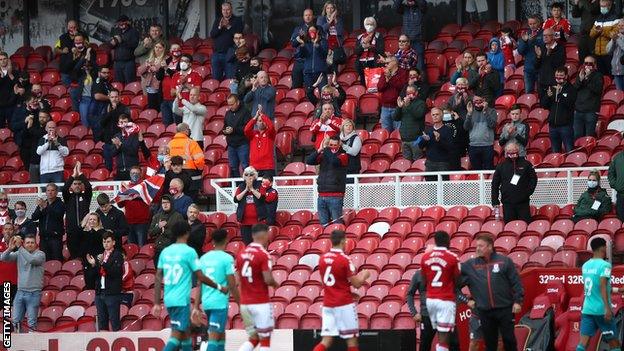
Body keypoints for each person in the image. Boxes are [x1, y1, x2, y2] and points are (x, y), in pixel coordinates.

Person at [152, 221, 227, 351]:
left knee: (186, 334)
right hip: (181, 300)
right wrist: (219, 287)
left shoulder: (165, 252)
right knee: (176, 336)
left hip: (169, 299)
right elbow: (201, 277)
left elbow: (158, 276)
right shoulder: (189, 252)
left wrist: (156, 302)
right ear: (187, 233)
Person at [461, 233, 523, 351]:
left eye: (481, 246)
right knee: (490, 344)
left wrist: (518, 301)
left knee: (509, 341)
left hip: (505, 309)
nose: (477, 248)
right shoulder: (470, 265)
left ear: (490, 247)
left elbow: (516, 283)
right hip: (485, 312)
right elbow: (454, 284)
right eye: (476, 246)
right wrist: (465, 300)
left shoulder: (504, 261)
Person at [312, 230, 370, 351]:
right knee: (352, 340)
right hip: (344, 304)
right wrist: (364, 274)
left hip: (328, 304)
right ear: (344, 241)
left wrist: (348, 292)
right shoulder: (344, 259)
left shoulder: (322, 258)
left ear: (331, 241)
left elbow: (330, 283)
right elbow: (357, 284)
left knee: (326, 341)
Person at [192, 229, 240, 351]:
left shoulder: (204, 258)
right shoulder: (226, 258)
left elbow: (200, 283)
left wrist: (196, 307)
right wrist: (241, 304)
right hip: (219, 302)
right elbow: (232, 284)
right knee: (214, 337)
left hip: (207, 302)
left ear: (213, 241)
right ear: (226, 240)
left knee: (221, 335)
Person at [235, 223, 278, 351]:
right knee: (265, 339)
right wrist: (276, 284)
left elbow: (237, 279)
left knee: (254, 338)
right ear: (265, 235)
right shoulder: (263, 254)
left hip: (245, 303)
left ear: (252, 235)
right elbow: (268, 279)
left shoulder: (241, 254)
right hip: (260, 302)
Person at [577, 237, 622, 351]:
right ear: (602, 248)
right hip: (601, 311)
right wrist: (607, 308)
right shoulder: (605, 265)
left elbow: (597, 287)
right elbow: (602, 285)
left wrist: (618, 290)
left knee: (583, 344)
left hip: (587, 310)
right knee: (614, 344)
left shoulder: (585, 265)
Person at [406, 262, 462, 351]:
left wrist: (463, 302)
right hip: (427, 315)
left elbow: (456, 290)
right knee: (425, 344)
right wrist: (414, 313)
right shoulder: (419, 274)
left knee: (454, 343)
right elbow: (409, 294)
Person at [421, 231, 460, 351]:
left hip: (430, 300)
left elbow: (424, 280)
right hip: (445, 299)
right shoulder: (452, 257)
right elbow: (457, 279)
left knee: (439, 332)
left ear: (435, 241)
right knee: (444, 336)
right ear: (448, 241)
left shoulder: (425, 257)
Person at [1, 234, 44, 333]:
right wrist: (10, 248)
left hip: (34, 292)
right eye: (27, 243)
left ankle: (32, 346)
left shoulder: (40, 254)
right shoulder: (20, 253)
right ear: (24, 244)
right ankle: (18, 346)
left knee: (31, 323)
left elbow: (32, 260)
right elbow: (3, 258)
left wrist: (20, 247)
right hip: (20, 291)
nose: (30, 245)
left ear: (36, 244)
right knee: (15, 321)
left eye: (32, 242)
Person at [306, 135, 348, 226]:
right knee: (324, 223)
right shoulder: (324, 154)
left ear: (339, 145)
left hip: (336, 195)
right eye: (330, 145)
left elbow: (334, 161)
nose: (332, 147)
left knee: (337, 223)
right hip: (322, 195)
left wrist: (326, 149)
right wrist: (319, 150)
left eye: (334, 145)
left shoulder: (343, 155)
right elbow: (309, 161)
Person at [491, 142, 538, 223]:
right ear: (506, 152)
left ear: (518, 150)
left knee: (525, 225)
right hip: (507, 203)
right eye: (510, 150)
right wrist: (495, 200)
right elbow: (495, 184)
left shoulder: (526, 164)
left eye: (514, 150)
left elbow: (533, 179)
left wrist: (528, 192)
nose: (512, 152)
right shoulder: (501, 166)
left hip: (523, 202)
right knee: (509, 226)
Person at [86, 231, 123, 331]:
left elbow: (115, 272)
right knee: (102, 322)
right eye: (104, 242)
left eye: (108, 241)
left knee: (114, 321)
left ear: (113, 242)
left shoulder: (118, 256)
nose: (106, 244)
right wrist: (94, 265)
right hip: (100, 292)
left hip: (112, 293)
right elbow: (92, 276)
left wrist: (102, 263)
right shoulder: (100, 256)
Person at [540, 67, 577, 153]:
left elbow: (570, 104)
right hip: (553, 126)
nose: (558, 78)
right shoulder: (552, 88)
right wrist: (548, 97)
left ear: (566, 76)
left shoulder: (571, 89)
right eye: (557, 76)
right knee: (555, 151)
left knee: (569, 150)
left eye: (561, 76)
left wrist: (560, 94)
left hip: (565, 126)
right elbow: (544, 105)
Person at [62, 162, 92, 259]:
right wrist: (73, 175)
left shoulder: (86, 197)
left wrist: (80, 173)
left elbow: (89, 187)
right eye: (75, 184)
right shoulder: (68, 197)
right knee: (74, 256)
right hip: (71, 231)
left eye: (79, 184)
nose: (77, 186)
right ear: (72, 186)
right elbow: (64, 189)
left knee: (85, 256)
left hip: (85, 231)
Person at [168, 123, 205, 201]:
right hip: (191, 176)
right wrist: (200, 170)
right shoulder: (191, 143)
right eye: (188, 129)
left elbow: (166, 160)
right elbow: (199, 160)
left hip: (174, 174)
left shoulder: (170, 144)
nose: (189, 131)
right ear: (185, 131)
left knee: (175, 200)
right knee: (191, 201)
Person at [116, 166, 150, 246]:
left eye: (137, 173)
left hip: (142, 222)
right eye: (133, 173)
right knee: (131, 248)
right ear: (130, 174)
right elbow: (120, 204)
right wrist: (123, 195)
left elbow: (143, 197)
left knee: (142, 248)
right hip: (129, 222)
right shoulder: (124, 188)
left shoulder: (145, 185)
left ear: (141, 174)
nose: (135, 175)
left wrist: (128, 191)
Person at [210, 2, 244, 81]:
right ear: (221, 10)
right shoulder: (218, 20)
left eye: (228, 9)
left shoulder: (237, 20)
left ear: (231, 10)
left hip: (230, 54)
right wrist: (220, 27)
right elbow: (212, 34)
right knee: (216, 79)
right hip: (216, 54)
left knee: (230, 79)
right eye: (224, 10)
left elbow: (238, 35)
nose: (225, 11)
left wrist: (228, 26)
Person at [149, 195, 186, 267]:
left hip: (172, 251)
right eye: (163, 203)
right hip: (158, 251)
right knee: (159, 275)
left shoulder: (178, 216)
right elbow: (150, 233)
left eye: (167, 202)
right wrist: (159, 227)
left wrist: (165, 231)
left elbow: (181, 235)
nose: (165, 204)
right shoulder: (157, 216)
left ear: (171, 203)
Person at [31, 183, 65, 261]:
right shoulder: (43, 203)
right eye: (48, 190)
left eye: (52, 190)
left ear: (56, 192)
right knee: (44, 261)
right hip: (43, 237)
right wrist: (40, 208)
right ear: (45, 192)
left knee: (56, 260)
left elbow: (58, 215)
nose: (50, 192)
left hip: (55, 237)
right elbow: (34, 217)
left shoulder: (60, 204)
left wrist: (46, 207)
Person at [234, 167, 267, 245]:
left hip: (258, 221)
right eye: (246, 174)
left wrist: (252, 189)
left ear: (255, 176)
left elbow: (262, 198)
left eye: (251, 174)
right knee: (247, 244)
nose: (249, 176)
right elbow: (236, 199)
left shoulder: (260, 185)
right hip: (245, 222)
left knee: (259, 244)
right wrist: (245, 190)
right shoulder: (241, 186)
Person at [419, 107, 453, 180]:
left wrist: (439, 140)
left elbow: (450, 147)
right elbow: (420, 146)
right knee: (431, 189)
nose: (435, 116)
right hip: (430, 163)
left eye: (437, 114)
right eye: (433, 115)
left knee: (444, 188)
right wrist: (425, 140)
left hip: (443, 163)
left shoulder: (448, 130)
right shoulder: (428, 130)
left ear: (442, 116)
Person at [574, 55, 603, 140]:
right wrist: (580, 79)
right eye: (586, 63)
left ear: (595, 65)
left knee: (589, 137)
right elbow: (575, 88)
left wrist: (586, 78)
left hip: (591, 112)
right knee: (577, 136)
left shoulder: (598, 76)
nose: (588, 65)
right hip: (578, 111)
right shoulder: (580, 75)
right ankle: (579, 153)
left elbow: (597, 90)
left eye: (590, 63)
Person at [100, 89, 130, 171]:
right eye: (112, 97)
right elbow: (102, 123)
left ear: (119, 97)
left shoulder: (124, 108)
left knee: (119, 164)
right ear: (109, 97)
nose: (114, 99)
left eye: (116, 97)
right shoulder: (105, 108)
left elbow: (126, 123)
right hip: (108, 141)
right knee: (108, 166)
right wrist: (111, 112)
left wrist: (115, 110)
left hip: (120, 141)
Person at [394, 85, 426, 161]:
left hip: (416, 139)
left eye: (411, 92)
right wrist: (399, 107)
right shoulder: (404, 103)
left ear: (416, 93)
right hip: (404, 139)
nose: (409, 95)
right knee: (406, 162)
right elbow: (396, 118)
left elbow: (418, 115)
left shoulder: (421, 103)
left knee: (417, 162)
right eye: (407, 93)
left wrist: (408, 106)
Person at [465, 96, 497, 170]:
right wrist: (469, 114)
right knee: (476, 171)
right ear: (473, 101)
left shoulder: (492, 111)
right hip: (473, 146)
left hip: (487, 145)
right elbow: (466, 127)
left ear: (484, 101)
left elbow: (492, 125)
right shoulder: (470, 112)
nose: (478, 102)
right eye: (476, 101)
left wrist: (485, 112)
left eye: (480, 100)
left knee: (488, 170)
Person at [393, 0, 427, 71]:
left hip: (418, 41)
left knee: (419, 66)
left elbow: (423, 3)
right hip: (406, 41)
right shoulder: (404, 9)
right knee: (404, 65)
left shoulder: (420, 8)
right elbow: (396, 6)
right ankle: (406, 81)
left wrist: (415, 1)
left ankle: (419, 82)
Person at [224, 94, 252, 178]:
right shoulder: (227, 113)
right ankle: (237, 186)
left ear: (238, 102)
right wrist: (225, 131)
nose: (230, 106)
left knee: (245, 166)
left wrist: (234, 130)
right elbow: (224, 126)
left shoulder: (245, 112)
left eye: (232, 104)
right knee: (233, 167)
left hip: (242, 143)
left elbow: (247, 127)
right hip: (231, 145)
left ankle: (248, 185)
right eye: (229, 104)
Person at [378, 56, 408, 132]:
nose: (385, 65)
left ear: (394, 62)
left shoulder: (403, 72)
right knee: (385, 132)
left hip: (397, 107)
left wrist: (390, 78)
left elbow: (402, 87)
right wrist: (386, 80)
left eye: (387, 63)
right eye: (385, 63)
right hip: (385, 107)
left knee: (398, 132)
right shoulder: (384, 73)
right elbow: (379, 88)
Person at [589, 0, 619, 75]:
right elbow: (591, 34)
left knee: (611, 76)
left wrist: (602, 31)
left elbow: (615, 35)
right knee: (601, 76)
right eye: (601, 6)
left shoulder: (615, 19)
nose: (602, 8)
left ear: (609, 6)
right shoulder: (598, 19)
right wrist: (596, 31)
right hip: (598, 53)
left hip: (609, 54)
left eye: (604, 6)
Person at [244, 109, 276, 178]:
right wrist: (255, 117)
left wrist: (262, 115)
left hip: (267, 167)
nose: (261, 122)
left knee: (267, 188)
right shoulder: (253, 134)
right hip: (254, 167)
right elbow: (246, 130)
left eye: (263, 121)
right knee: (255, 188)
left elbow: (271, 127)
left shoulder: (270, 134)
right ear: (256, 123)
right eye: (260, 121)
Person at [535, 28, 567, 98]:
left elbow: (560, 64)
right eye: (544, 35)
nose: (545, 37)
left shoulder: (560, 48)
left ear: (553, 36)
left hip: (554, 83)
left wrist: (549, 55)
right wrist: (538, 56)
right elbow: (536, 66)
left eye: (548, 35)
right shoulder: (541, 48)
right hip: (542, 83)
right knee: (542, 106)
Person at [296, 25, 329, 91]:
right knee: (309, 94)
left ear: (317, 32)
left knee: (324, 93)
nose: (312, 32)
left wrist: (316, 44)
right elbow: (300, 55)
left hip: (320, 72)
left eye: (313, 30)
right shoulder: (306, 43)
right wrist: (302, 44)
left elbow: (324, 54)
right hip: (308, 73)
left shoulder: (323, 42)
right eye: (310, 31)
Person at [79, 212, 106, 289]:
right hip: (87, 263)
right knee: (89, 286)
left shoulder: (103, 232)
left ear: (98, 221)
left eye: (94, 219)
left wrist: (93, 230)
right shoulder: (85, 233)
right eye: (90, 219)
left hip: (98, 262)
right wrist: (83, 224)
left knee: (98, 286)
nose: (92, 221)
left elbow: (97, 239)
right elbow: (75, 235)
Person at [291, 9, 317, 88]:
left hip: (311, 61)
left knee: (310, 87)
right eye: (306, 15)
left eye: (309, 15)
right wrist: (298, 39)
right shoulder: (298, 29)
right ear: (303, 17)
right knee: (296, 85)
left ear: (313, 16)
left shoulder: (317, 28)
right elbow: (293, 43)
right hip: (299, 61)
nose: (308, 17)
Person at [109, 15, 140, 84]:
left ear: (127, 22)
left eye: (123, 22)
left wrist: (122, 41)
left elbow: (135, 45)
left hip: (129, 62)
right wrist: (112, 44)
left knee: (130, 83)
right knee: (118, 83)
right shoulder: (116, 31)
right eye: (119, 23)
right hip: (117, 62)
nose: (121, 24)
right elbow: (110, 45)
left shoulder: (133, 32)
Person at [137, 40, 167, 111]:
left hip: (161, 86)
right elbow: (139, 71)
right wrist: (146, 65)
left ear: (163, 49)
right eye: (156, 47)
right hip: (151, 86)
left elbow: (160, 70)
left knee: (160, 107)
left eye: (160, 47)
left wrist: (155, 67)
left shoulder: (166, 59)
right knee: (152, 107)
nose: (157, 49)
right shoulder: (150, 59)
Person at [158, 44, 183, 125]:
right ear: (170, 51)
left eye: (177, 49)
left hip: (175, 98)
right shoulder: (166, 61)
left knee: (177, 122)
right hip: (164, 97)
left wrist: (166, 69)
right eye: (173, 49)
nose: (175, 50)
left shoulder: (182, 62)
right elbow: (159, 77)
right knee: (166, 123)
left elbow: (177, 76)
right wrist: (161, 68)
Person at [355, 17, 385, 85]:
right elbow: (356, 51)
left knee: (373, 84)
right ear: (364, 25)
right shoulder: (360, 37)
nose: (369, 26)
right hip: (361, 63)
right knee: (363, 84)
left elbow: (381, 50)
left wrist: (370, 47)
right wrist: (362, 46)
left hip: (374, 63)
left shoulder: (378, 36)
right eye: (367, 24)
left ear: (374, 25)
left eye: (371, 24)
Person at [317, 1, 345, 73]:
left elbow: (340, 32)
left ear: (334, 10)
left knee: (334, 70)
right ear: (325, 10)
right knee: (325, 69)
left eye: (332, 8)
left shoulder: (339, 20)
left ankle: (333, 82)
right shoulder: (321, 19)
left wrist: (335, 20)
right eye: (328, 8)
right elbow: (322, 30)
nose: (330, 10)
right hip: (325, 46)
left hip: (336, 46)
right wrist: (330, 21)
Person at [23, 109, 50, 183]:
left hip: (45, 163)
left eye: (44, 117)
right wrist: (27, 125)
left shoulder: (49, 129)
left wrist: (30, 127)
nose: (41, 119)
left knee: (45, 187)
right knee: (34, 186)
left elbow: (40, 134)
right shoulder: (34, 128)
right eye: (40, 117)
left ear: (48, 118)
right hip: (33, 162)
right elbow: (25, 136)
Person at [111, 114, 140, 180]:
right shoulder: (116, 136)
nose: (123, 124)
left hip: (132, 171)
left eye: (125, 122)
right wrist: (117, 146)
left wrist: (120, 144)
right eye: (121, 122)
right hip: (120, 171)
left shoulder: (134, 135)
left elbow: (133, 151)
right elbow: (113, 153)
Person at [441, 105, 468, 171]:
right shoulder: (440, 122)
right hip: (444, 152)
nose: (445, 115)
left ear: (452, 112)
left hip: (455, 153)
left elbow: (463, 133)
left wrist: (458, 120)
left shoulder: (459, 121)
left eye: (447, 113)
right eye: (444, 114)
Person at [90, 66, 113, 133]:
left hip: (103, 111)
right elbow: (97, 96)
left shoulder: (106, 83)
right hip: (98, 111)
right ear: (99, 73)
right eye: (104, 73)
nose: (106, 74)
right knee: (99, 132)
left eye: (108, 73)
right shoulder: (98, 82)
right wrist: (110, 98)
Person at [0, 52, 18, 129]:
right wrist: (2, 77)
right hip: (0, 106)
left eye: (4, 59)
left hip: (11, 105)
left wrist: (10, 74)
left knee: (12, 127)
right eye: (0, 59)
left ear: (8, 60)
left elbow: (18, 86)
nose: (3, 61)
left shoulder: (15, 72)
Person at [607, 19, 624, 90]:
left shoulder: (617, 37)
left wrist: (617, 39)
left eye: (622, 25)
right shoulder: (616, 36)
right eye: (619, 25)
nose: (620, 27)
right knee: (619, 95)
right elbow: (608, 51)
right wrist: (613, 41)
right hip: (616, 70)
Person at [608, 150, 624, 221]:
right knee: (620, 219)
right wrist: (615, 184)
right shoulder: (617, 158)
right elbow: (611, 173)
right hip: (621, 195)